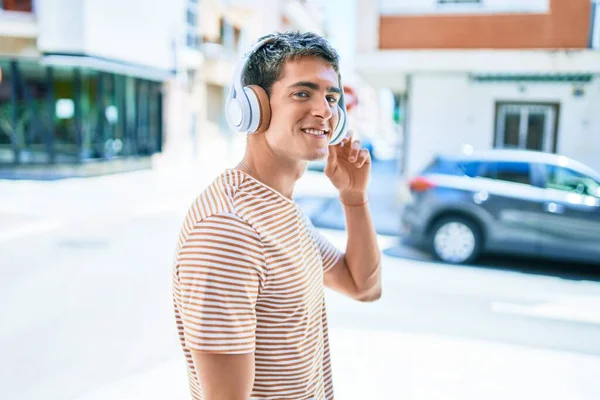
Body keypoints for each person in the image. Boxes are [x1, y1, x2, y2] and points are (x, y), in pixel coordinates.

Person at [172, 31, 382, 400]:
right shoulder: (228, 229)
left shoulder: (282, 212)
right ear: (254, 107)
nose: (325, 110)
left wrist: (354, 198)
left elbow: (363, 287)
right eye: (303, 93)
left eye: (332, 98)